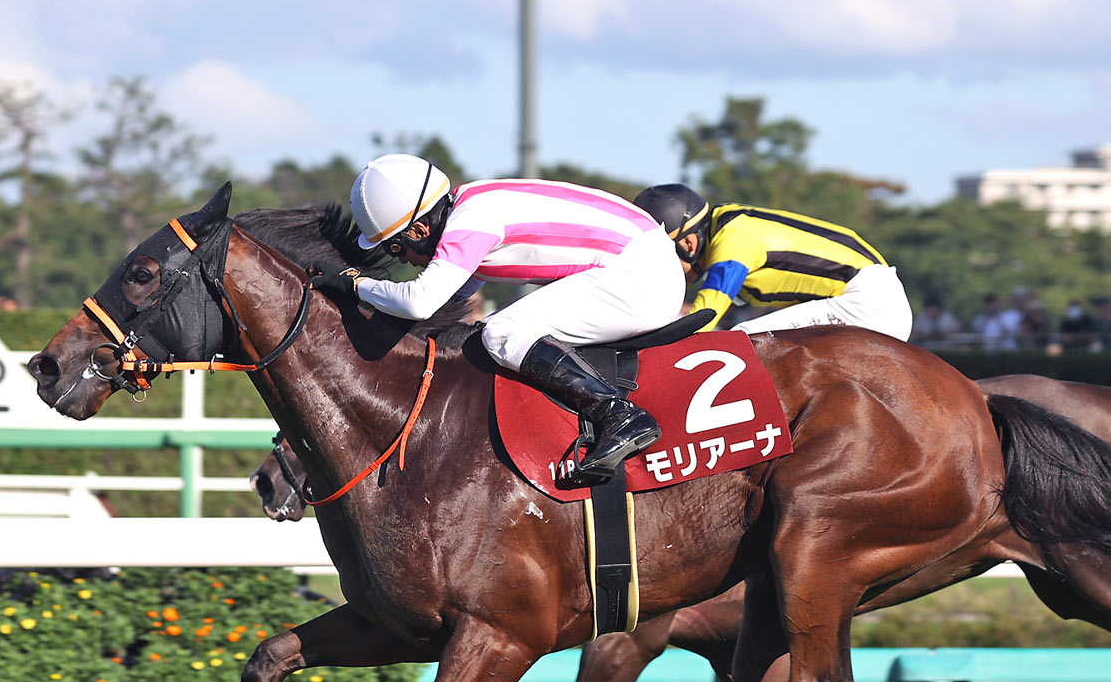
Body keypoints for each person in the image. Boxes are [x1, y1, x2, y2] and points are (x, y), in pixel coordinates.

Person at [321, 154, 680, 486]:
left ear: (417, 230)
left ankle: (619, 415)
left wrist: (355, 284)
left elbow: (420, 303)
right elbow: (452, 298)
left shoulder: (470, 222)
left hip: (642, 277)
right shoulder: (470, 203)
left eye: (395, 249)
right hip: (642, 261)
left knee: (502, 332)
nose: (408, 262)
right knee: (491, 332)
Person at [630, 184, 913, 341]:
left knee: (744, 342)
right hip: (873, 294)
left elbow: (706, 317)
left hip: (868, 303)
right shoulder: (728, 225)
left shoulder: (733, 240)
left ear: (688, 243)